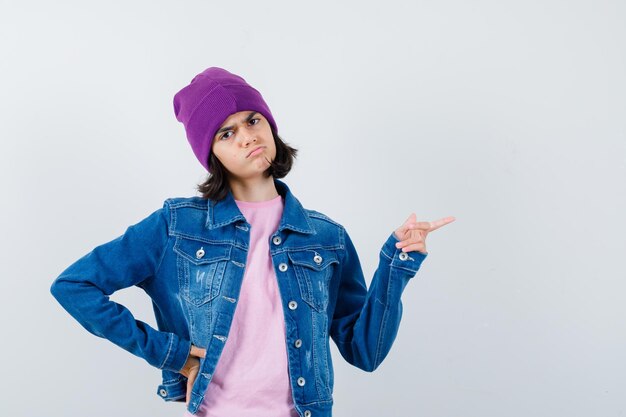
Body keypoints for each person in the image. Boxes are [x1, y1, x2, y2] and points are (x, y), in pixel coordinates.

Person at [50, 66, 456, 417]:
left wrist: (396, 264)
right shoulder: (177, 226)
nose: (246, 136)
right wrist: (171, 354)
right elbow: (74, 286)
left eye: (252, 120)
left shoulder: (325, 237)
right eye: (226, 133)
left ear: (269, 124)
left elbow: (364, 352)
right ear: (211, 153)